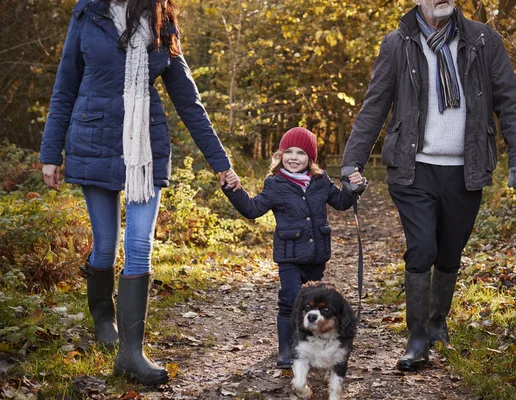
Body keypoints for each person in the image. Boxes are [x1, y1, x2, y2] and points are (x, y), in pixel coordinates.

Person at [40, 0, 240, 385]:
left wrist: (221, 163)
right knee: (105, 246)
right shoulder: (88, 14)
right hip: (93, 139)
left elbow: (189, 101)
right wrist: (51, 153)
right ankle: (103, 315)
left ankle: (131, 352)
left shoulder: (162, 24)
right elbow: (65, 85)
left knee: (139, 245)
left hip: (145, 150)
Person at [341, 0, 516, 371]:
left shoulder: (483, 40)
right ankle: (416, 336)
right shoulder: (397, 43)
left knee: (449, 251)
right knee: (422, 247)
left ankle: (437, 322)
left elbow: (509, 101)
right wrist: (353, 160)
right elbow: (375, 105)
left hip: (466, 168)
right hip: (413, 170)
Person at [221, 127, 366, 369]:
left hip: (316, 257)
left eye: (301, 153)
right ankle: (286, 351)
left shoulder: (321, 182)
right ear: (280, 155)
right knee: (289, 298)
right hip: (289, 256)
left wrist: (354, 188)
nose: (294, 157)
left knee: (311, 303)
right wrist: (233, 190)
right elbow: (252, 209)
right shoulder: (275, 184)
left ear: (311, 158)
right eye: (289, 152)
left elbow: (341, 202)